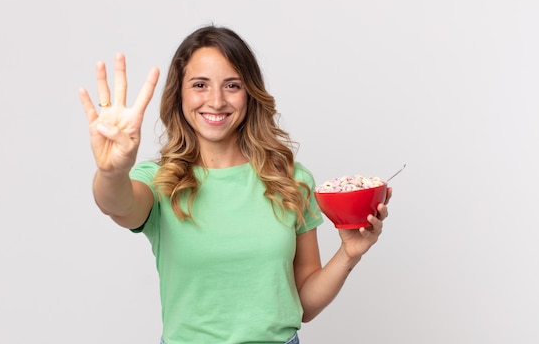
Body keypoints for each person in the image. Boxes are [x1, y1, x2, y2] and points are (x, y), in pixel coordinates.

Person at [79, 25, 392, 344]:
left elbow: (303, 306)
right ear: (180, 94)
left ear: (249, 93)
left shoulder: (292, 180)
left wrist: (349, 254)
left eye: (232, 85)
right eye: (200, 84)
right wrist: (112, 172)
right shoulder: (162, 180)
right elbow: (117, 205)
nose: (216, 101)